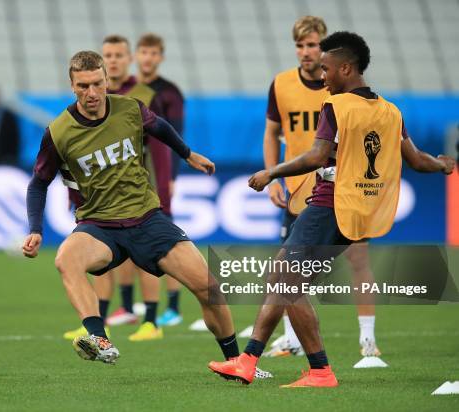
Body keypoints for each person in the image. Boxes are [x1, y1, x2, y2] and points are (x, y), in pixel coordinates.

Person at [208, 31, 455, 387]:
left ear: (346, 67)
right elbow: (416, 160)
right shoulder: (390, 110)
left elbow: (315, 156)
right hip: (358, 210)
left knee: (286, 279)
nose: (322, 76)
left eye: (326, 69)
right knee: (284, 279)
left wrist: (270, 172)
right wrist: (443, 165)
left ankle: (319, 370)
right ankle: (248, 360)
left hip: (329, 204)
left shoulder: (336, 107)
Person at [22, 50, 239, 366]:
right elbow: (38, 182)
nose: (92, 93)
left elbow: (160, 127)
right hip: (99, 226)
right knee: (66, 259)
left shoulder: (130, 109)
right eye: (83, 86)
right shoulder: (58, 132)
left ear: (107, 79)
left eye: (97, 83)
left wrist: (187, 153)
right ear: (72, 85)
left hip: (147, 219)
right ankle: (99, 338)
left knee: (210, 289)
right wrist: (35, 229)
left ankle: (236, 362)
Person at [260, 16, 380, 358]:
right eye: (300, 45)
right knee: (291, 267)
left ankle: (368, 340)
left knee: (358, 260)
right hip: (300, 191)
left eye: (312, 45)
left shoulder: (343, 91)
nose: (305, 52)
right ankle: (292, 341)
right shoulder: (281, 84)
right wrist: (274, 176)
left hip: (344, 189)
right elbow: (271, 132)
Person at [63, 35, 167, 342]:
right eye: (107, 54)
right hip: (100, 195)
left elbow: (160, 144)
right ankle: (101, 320)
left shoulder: (142, 95)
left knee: (145, 256)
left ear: (128, 58)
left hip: (138, 190)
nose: (113, 59)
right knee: (100, 259)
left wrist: (164, 187)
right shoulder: (93, 95)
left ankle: (150, 320)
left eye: (118, 55)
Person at [135, 33, 186, 328]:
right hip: (136, 174)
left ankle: (174, 306)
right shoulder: (131, 89)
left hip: (160, 173)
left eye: (153, 53)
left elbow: (176, 137)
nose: (148, 58)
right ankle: (141, 302)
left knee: (166, 239)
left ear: (160, 57)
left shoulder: (170, 93)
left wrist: (173, 177)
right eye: (143, 52)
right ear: (136, 55)